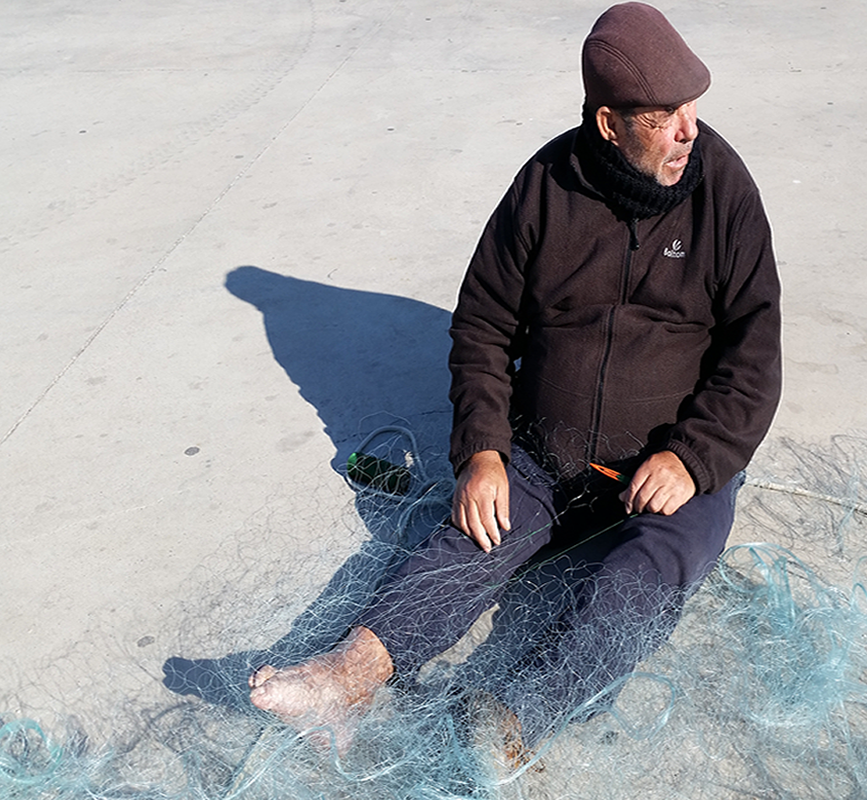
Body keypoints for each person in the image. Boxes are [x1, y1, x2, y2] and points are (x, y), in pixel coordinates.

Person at [247, 1, 782, 761]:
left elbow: (755, 348)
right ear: (609, 124)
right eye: (664, 116)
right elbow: (483, 327)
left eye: (692, 107)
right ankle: (347, 680)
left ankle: (516, 724)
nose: (689, 130)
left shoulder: (723, 189)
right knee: (470, 537)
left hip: (671, 467)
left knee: (643, 580)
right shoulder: (544, 186)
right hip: (544, 450)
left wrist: (695, 457)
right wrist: (484, 451)